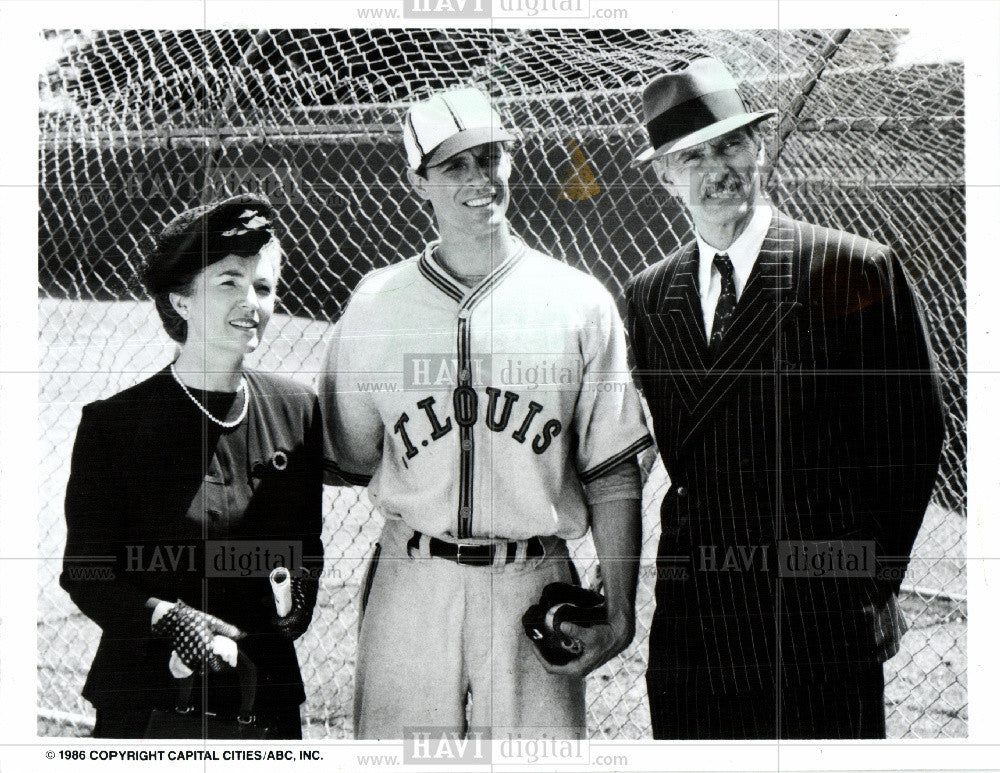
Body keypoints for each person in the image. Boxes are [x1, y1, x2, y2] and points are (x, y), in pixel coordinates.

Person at [625, 57, 946, 739]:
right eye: (694, 155)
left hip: (817, 618)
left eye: (731, 144)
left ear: (759, 146)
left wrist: (874, 584)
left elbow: (909, 441)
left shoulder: (850, 268)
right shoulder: (650, 295)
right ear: (665, 176)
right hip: (694, 625)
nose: (719, 168)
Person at [320, 87, 653, 740]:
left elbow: (614, 471)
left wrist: (620, 609)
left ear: (511, 160)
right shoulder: (377, 303)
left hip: (534, 582)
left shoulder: (578, 302)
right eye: (452, 165)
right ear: (419, 182)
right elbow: (349, 453)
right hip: (413, 579)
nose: (477, 179)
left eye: (488, 156)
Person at [60, 194, 324, 739]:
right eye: (229, 281)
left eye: (264, 286)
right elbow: (86, 570)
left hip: (262, 695)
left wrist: (293, 601)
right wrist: (166, 618)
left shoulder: (296, 409)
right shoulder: (116, 424)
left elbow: (306, 551)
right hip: (150, 697)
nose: (251, 302)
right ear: (181, 301)